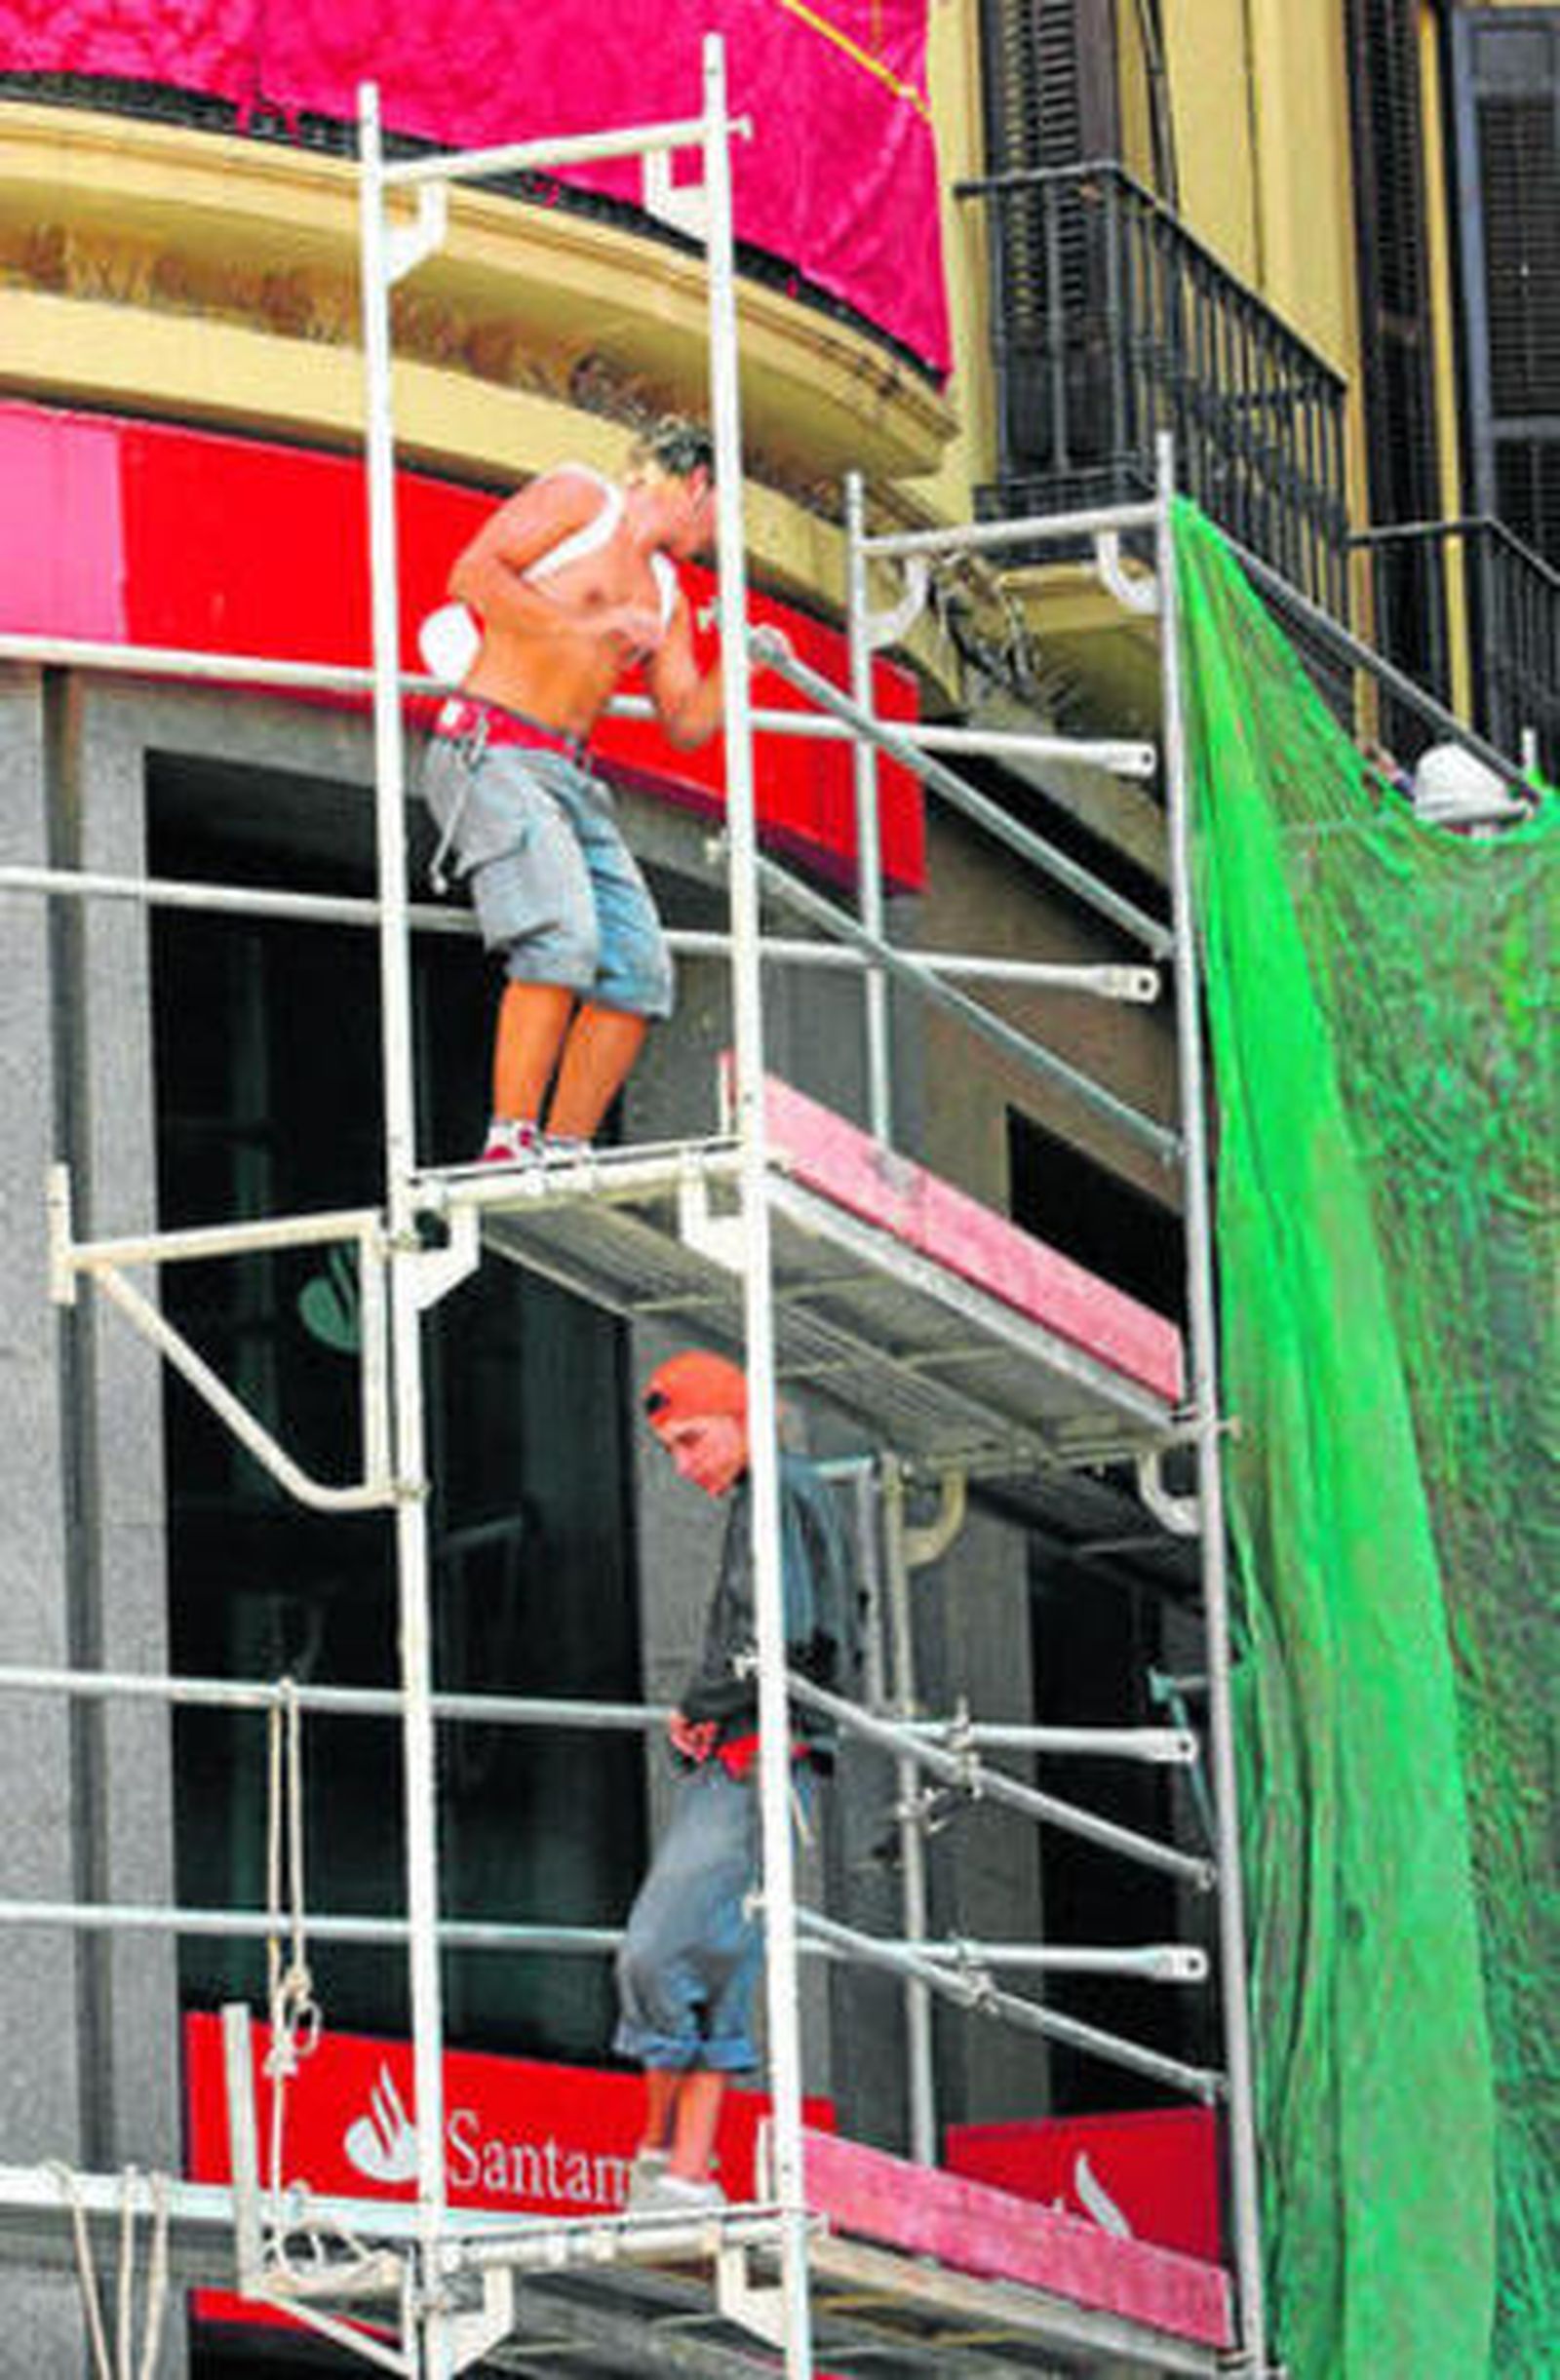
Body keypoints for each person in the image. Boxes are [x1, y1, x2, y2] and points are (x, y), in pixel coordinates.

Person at [420, 417, 727, 1165]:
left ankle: (563, 1146)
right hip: (490, 745)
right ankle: (508, 1139)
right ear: (696, 485)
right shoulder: (579, 499)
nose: (721, 533)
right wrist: (586, 626)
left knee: (640, 969)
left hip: (566, 773)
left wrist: (744, 669)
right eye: (722, 511)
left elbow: (684, 721)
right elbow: (474, 574)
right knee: (563, 935)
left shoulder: (667, 591)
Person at [614, 1349, 854, 2212]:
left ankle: (656, 2154)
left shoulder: (773, 1491)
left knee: (656, 1949)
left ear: (737, 1416)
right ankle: (684, 2172)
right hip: (767, 1751)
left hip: (759, 1754)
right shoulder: (789, 1486)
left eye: (691, 1439)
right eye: (672, 1450)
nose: (685, 1465)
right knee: (714, 1958)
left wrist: (703, 1701)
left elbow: (774, 1634)